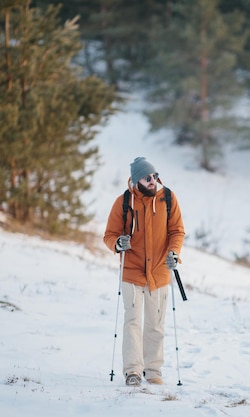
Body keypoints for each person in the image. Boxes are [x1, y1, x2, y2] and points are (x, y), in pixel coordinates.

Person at [104, 156, 185, 386]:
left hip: (159, 272)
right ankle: (132, 371)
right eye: (148, 177)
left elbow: (177, 231)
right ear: (137, 179)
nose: (153, 181)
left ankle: (153, 371)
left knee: (155, 324)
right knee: (132, 322)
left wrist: (174, 253)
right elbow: (109, 235)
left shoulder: (167, 199)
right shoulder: (124, 202)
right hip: (131, 272)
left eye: (155, 176)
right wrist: (118, 244)